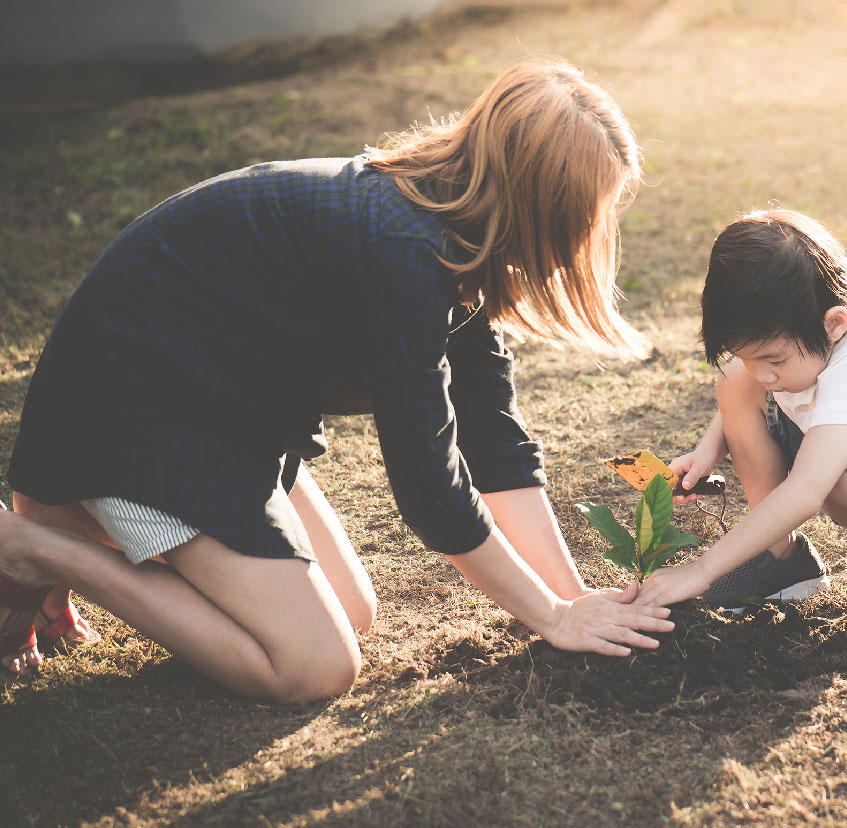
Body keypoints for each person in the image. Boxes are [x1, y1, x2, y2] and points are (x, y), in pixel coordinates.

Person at [0, 59, 675, 699]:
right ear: (540, 206)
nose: (588, 233)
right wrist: (550, 618)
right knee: (314, 666)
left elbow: (493, 443)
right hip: (134, 414)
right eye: (585, 214)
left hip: (226, 411)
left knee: (353, 612)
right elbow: (433, 491)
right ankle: (39, 548)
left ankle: (70, 538)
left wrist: (572, 600)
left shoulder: (455, 234)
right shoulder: (402, 251)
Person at [636, 210, 847, 635]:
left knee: (845, 471)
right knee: (733, 383)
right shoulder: (815, 331)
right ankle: (782, 557)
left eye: (772, 360)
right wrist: (711, 447)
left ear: (834, 324)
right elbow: (752, 378)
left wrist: (702, 570)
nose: (760, 373)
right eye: (745, 354)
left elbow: (804, 492)